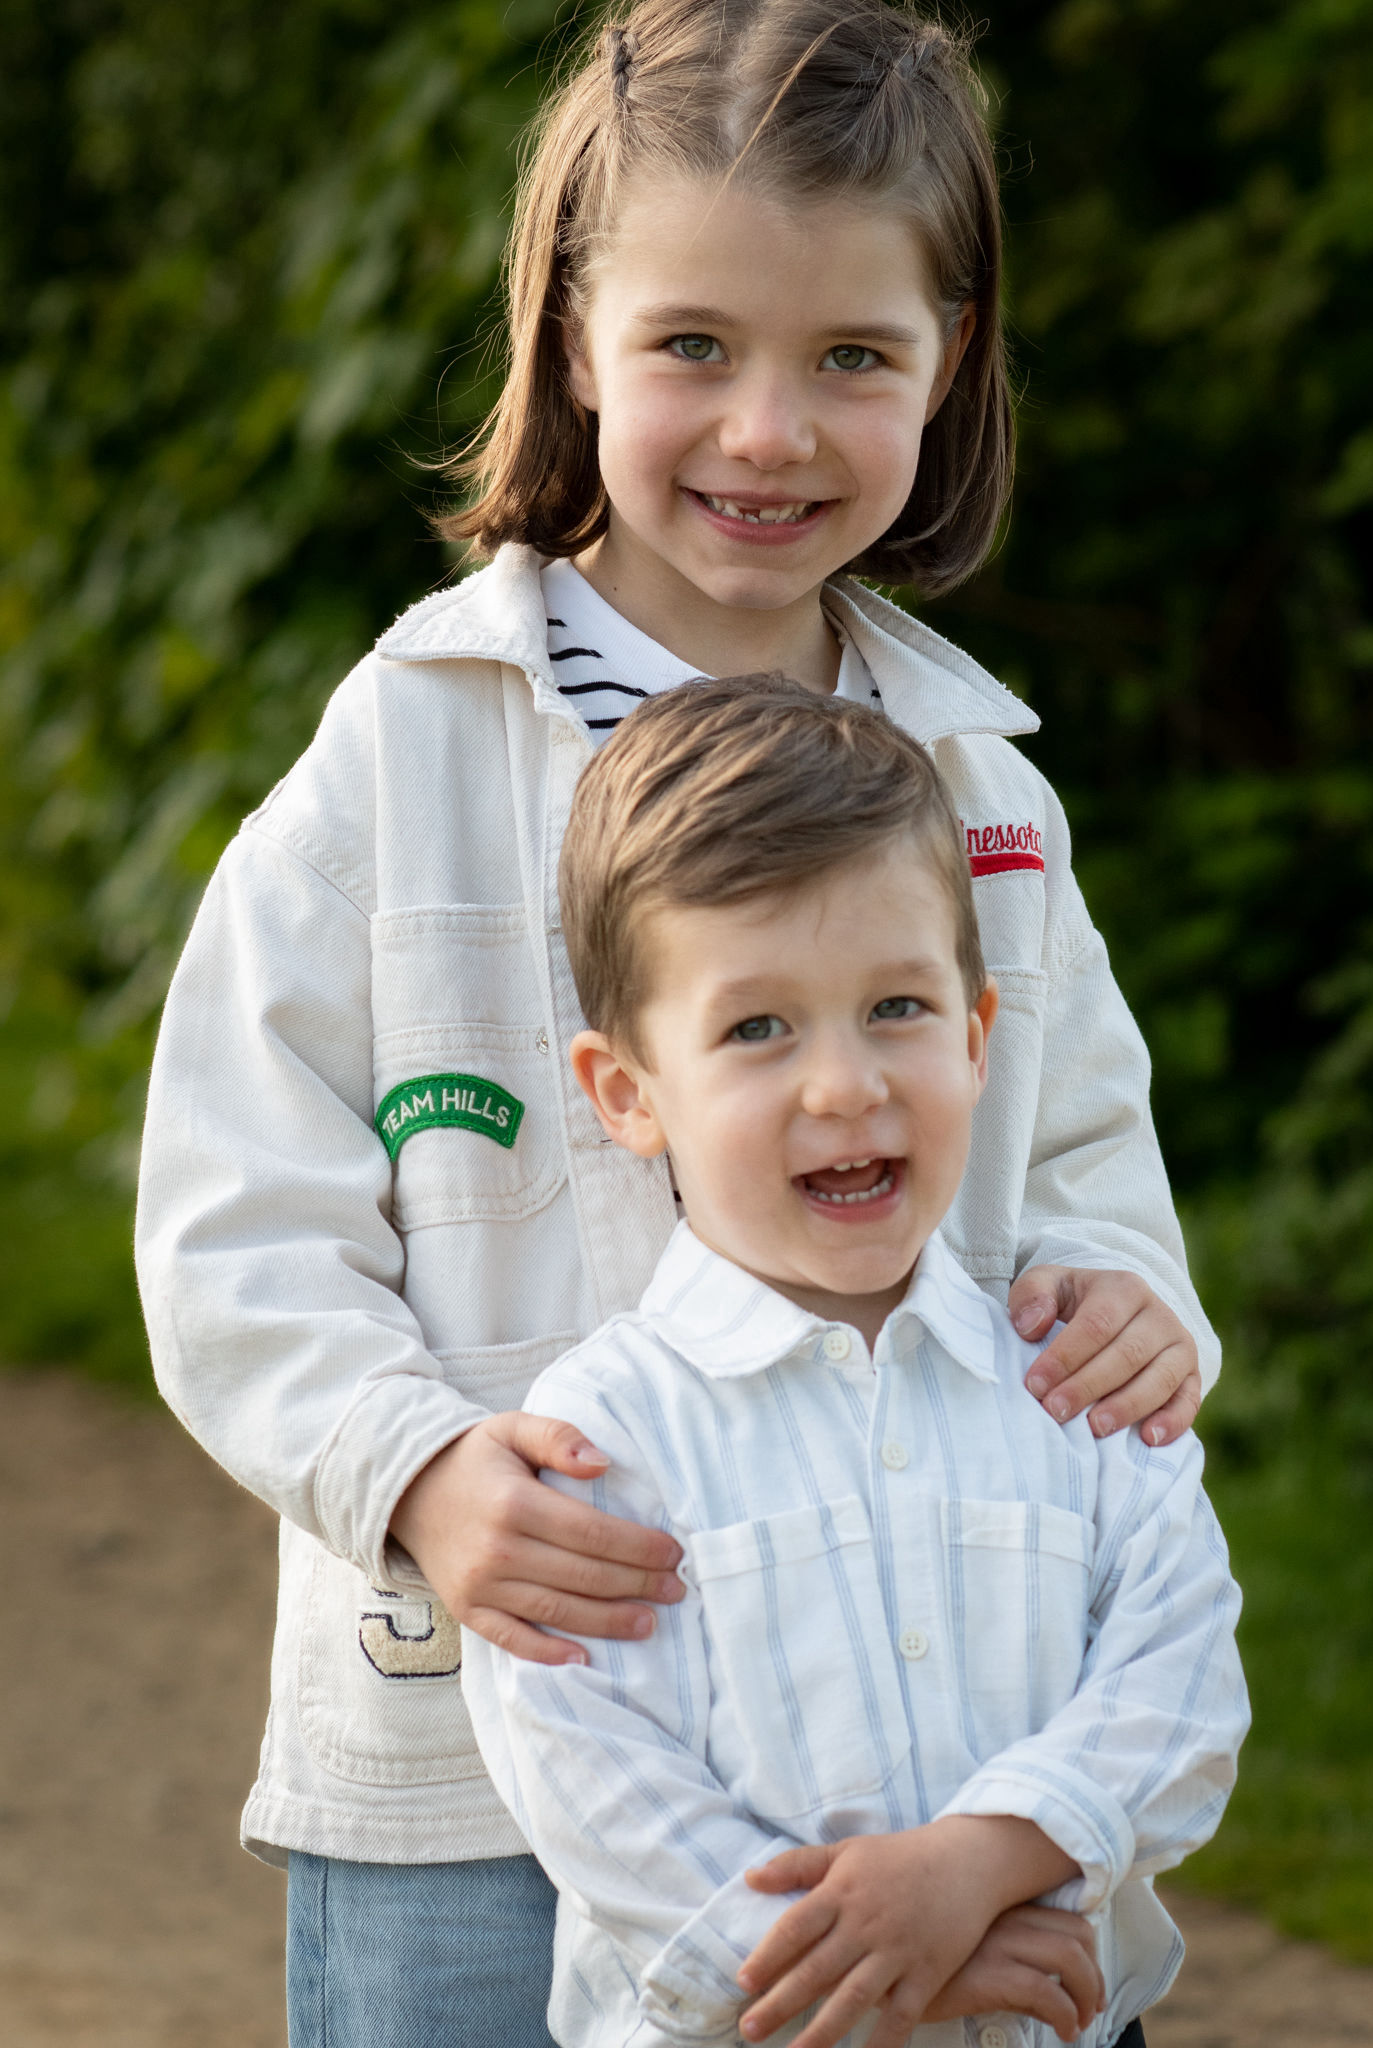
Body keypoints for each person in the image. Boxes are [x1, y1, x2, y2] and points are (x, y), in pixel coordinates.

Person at [135, 3, 1221, 2042]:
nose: (767, 433)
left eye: (850, 359)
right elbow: (230, 1216)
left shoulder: (981, 794)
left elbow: (1075, 1162)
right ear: (568, 334)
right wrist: (421, 1471)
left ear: (947, 364)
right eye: (693, 346)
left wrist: (1128, 1292)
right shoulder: (408, 754)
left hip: (915, 1767)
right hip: (479, 1752)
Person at [461, 675, 1248, 2048]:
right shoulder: (605, 1439)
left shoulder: (1069, 1381)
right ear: (629, 1096)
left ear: (978, 1036)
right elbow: (592, 1784)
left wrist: (986, 1863)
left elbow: (1178, 1681)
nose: (845, 1085)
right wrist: (875, 1961)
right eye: (759, 1028)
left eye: (896, 1007)